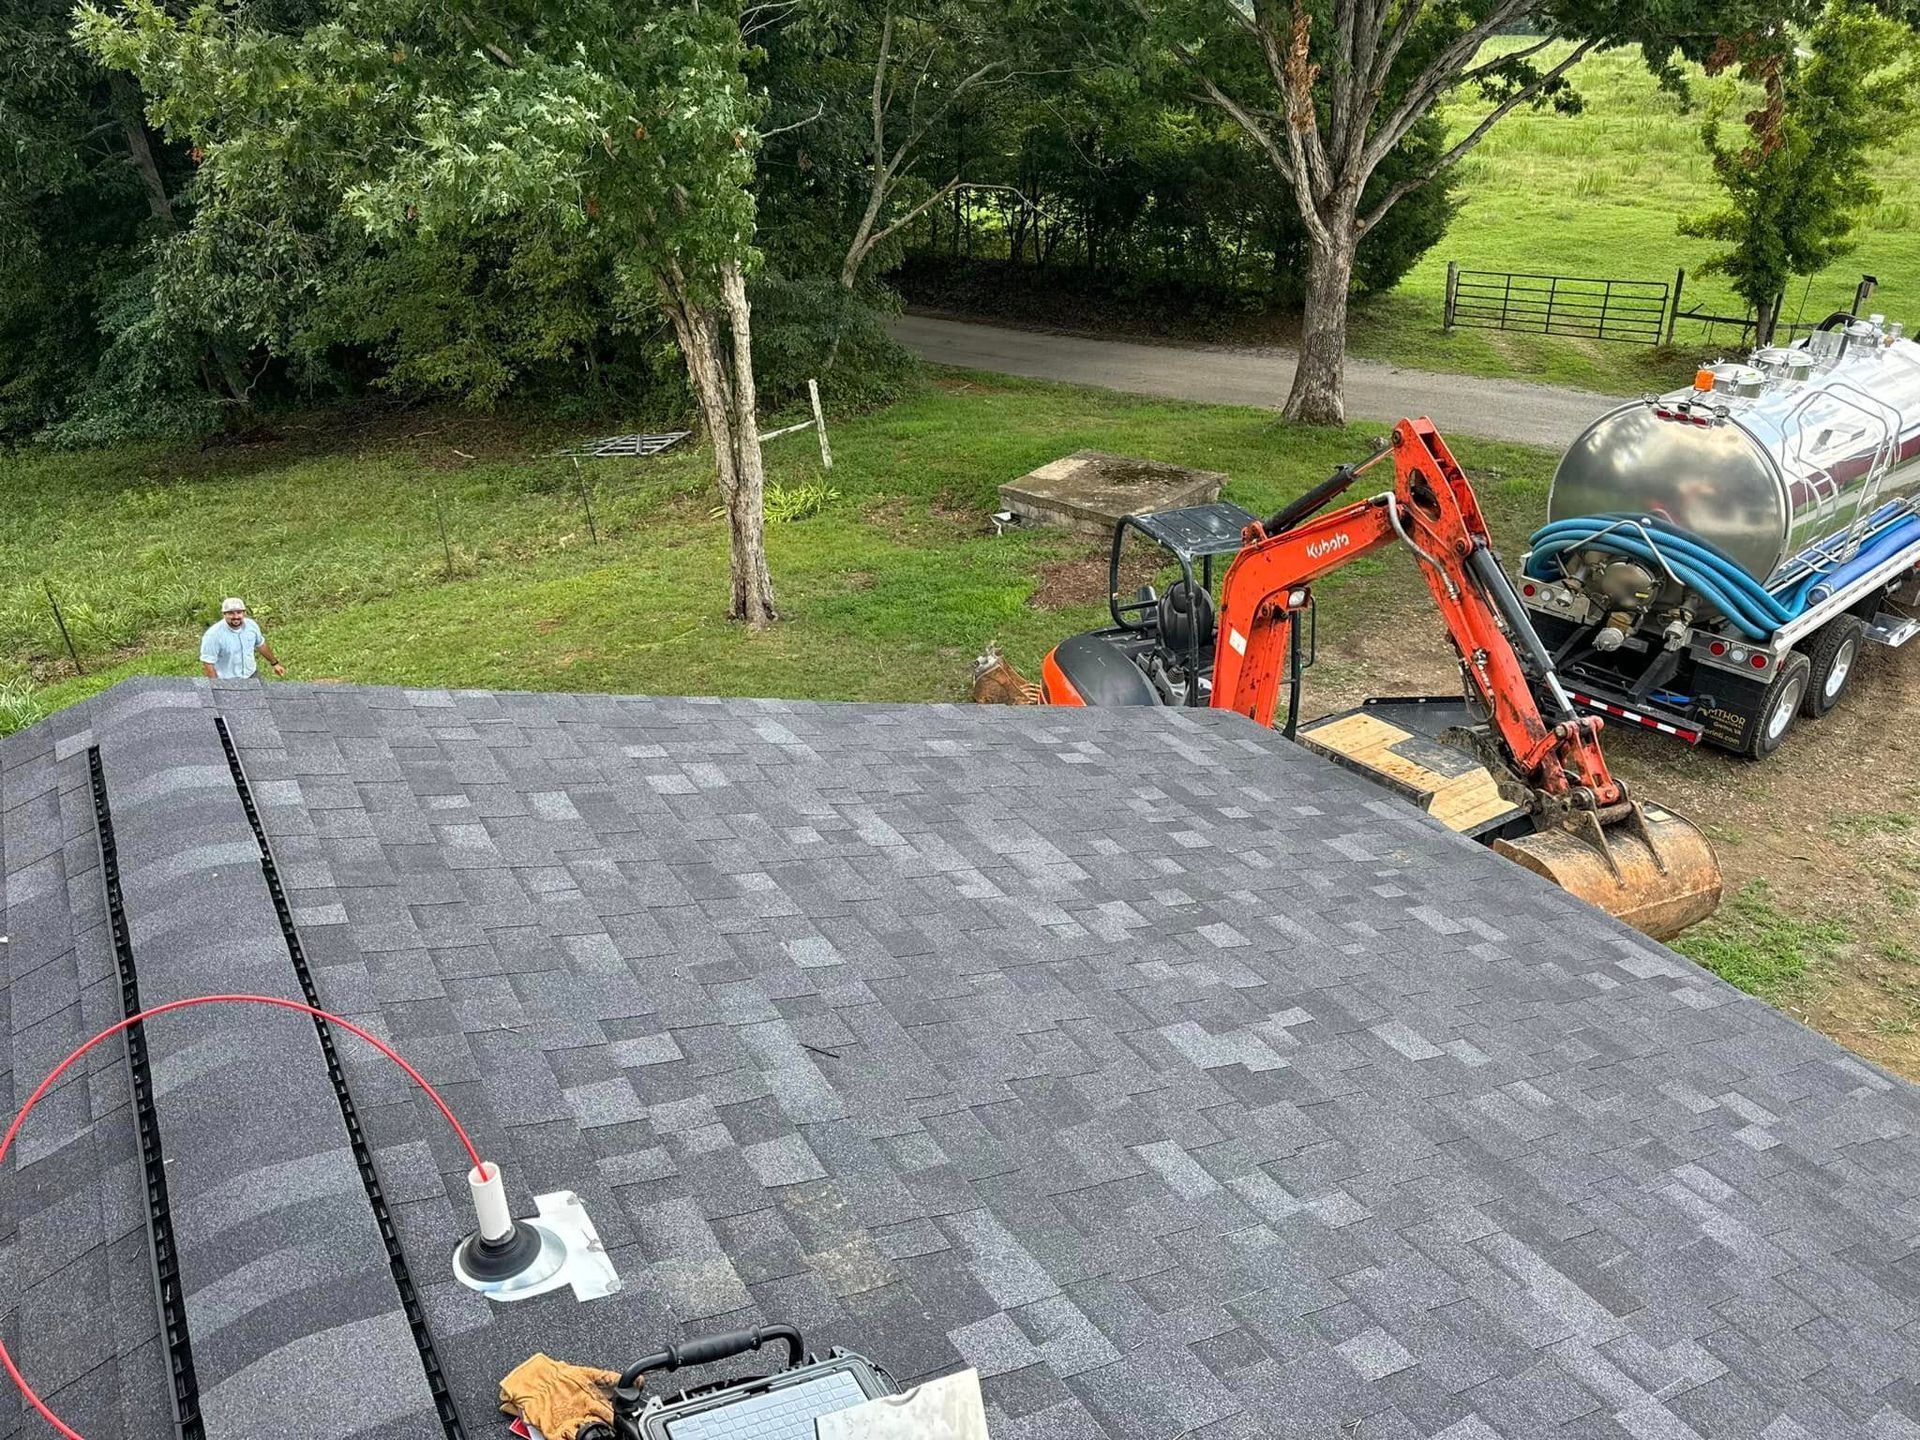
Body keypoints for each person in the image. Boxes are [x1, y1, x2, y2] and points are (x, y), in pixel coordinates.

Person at [200, 598, 285, 680]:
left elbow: (261, 645)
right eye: (231, 613)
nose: (236, 616)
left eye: (239, 612)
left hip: (252, 675)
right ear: (224, 614)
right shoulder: (213, 635)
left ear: (244, 613)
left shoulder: (251, 626)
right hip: (228, 681)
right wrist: (217, 686)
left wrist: (275, 663)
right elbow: (208, 664)